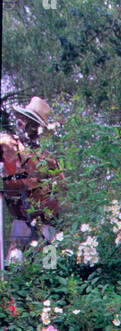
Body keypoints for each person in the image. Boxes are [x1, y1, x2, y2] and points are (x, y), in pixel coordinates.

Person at [1, 97, 64, 262]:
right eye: (26, 122)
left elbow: (62, 188)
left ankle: (50, 278)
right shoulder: (11, 145)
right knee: (15, 255)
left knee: (50, 260)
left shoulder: (49, 159)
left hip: (46, 219)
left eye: (33, 124)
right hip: (21, 215)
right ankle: (13, 281)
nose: (28, 127)